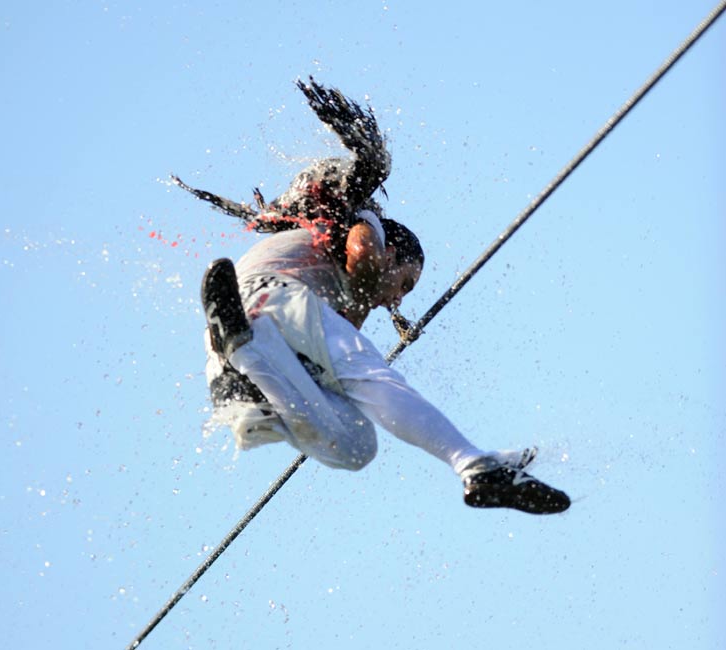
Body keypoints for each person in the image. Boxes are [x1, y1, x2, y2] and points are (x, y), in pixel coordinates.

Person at [181, 78, 570, 515]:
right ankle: (473, 464)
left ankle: (248, 361)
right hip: (268, 297)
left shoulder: (326, 300)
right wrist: (365, 302)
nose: (397, 301)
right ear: (393, 254)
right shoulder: (368, 223)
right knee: (373, 378)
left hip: (238, 347)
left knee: (356, 446)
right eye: (404, 283)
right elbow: (363, 255)